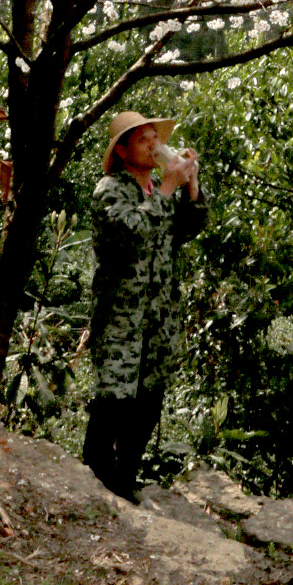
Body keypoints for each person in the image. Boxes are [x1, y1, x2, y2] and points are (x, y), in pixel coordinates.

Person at [83, 108, 205, 501]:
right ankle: (92, 485)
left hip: (158, 316)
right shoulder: (110, 191)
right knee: (113, 403)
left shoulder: (158, 189)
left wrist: (190, 185)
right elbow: (130, 234)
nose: (154, 145)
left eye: (155, 137)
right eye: (143, 140)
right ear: (121, 151)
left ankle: (124, 484)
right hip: (121, 318)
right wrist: (168, 189)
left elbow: (189, 228)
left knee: (148, 403)